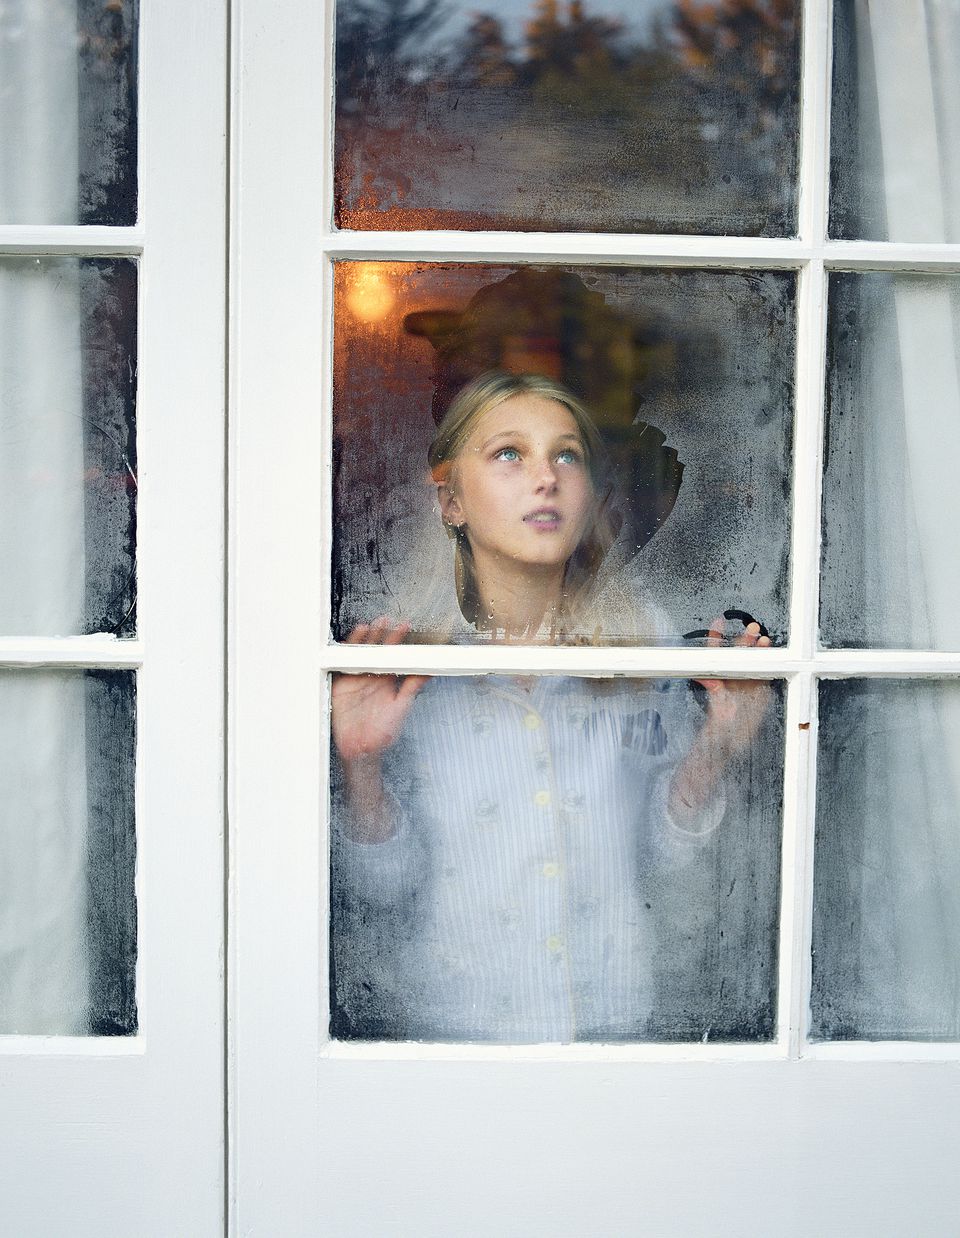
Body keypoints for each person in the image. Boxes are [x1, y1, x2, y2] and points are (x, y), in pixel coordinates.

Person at [331, 371, 771, 1042]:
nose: (547, 478)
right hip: (452, 1036)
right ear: (451, 501)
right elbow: (383, 893)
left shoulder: (642, 641)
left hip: (612, 1024)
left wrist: (714, 749)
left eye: (567, 454)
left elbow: (664, 862)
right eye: (509, 453)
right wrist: (361, 768)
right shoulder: (403, 661)